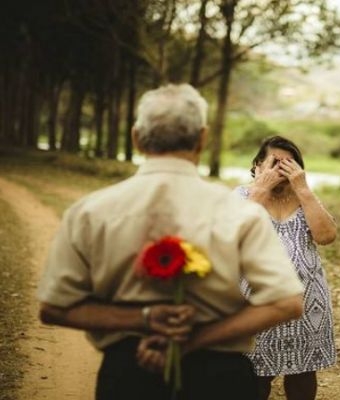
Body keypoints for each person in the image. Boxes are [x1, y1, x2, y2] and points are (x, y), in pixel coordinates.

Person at [37, 84, 304, 400]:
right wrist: (194, 339)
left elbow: (54, 308)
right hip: (221, 377)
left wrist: (143, 319)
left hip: (130, 373)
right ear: (203, 139)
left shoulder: (90, 211)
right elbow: (287, 303)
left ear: (136, 138)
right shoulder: (240, 212)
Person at [236, 136, 337, 400]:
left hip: (307, 302)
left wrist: (303, 190)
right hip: (256, 301)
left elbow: (326, 236)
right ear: (258, 165)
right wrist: (260, 190)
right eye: (274, 162)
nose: (281, 170)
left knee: (304, 374)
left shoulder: (306, 198)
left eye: (288, 164)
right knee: (255, 374)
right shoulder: (242, 195)